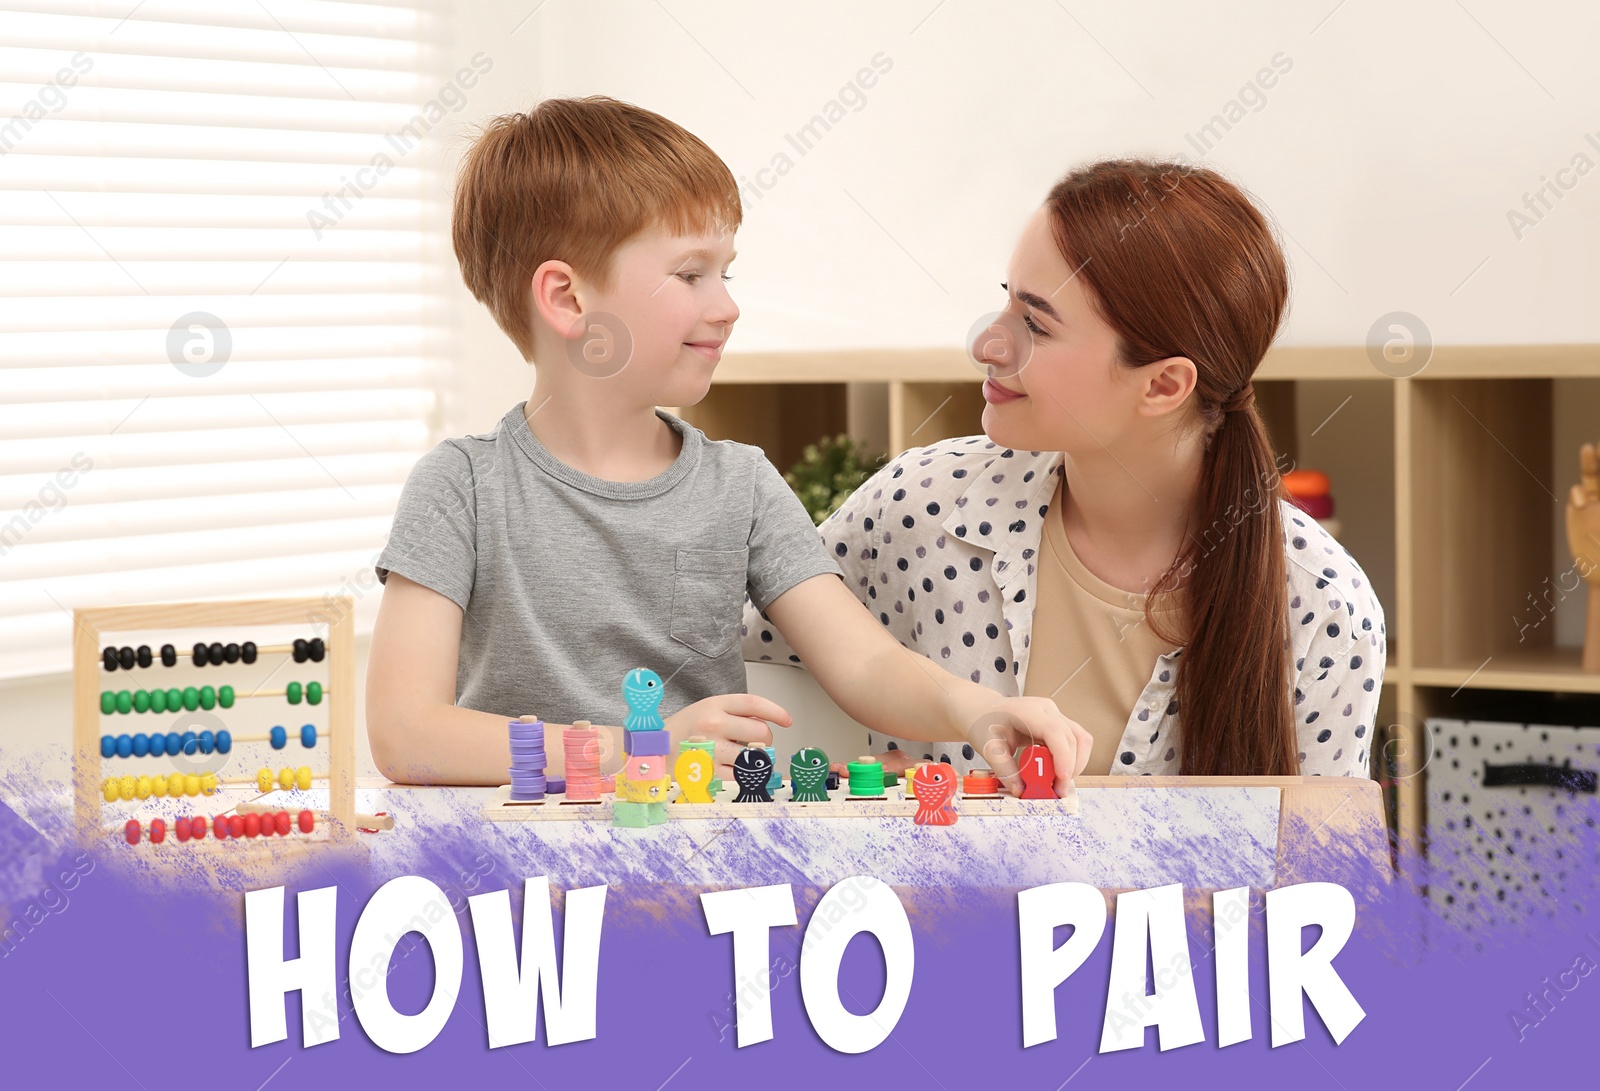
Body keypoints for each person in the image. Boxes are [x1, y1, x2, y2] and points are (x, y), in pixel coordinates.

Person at [366, 96, 1091, 789]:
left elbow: (865, 663)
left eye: (727, 271)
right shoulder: (459, 487)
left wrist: (976, 709)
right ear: (567, 299)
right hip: (521, 885)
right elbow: (406, 733)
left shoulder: (740, 485)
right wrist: (638, 751)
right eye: (690, 274)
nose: (728, 305)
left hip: (699, 875)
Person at [744, 159, 1385, 779]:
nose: (987, 344)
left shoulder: (1324, 610)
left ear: (1163, 385)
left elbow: (1316, 877)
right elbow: (743, 667)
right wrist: (835, 783)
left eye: (1035, 324)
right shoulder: (922, 503)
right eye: (1005, 304)